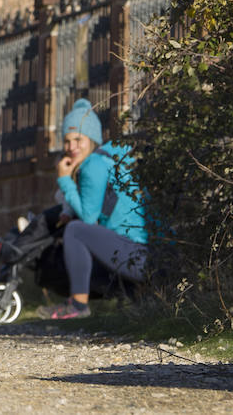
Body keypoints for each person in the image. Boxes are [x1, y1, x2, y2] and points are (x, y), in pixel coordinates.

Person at [39, 98, 147, 319]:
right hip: (154, 255)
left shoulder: (92, 166)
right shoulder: (111, 156)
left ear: (92, 139)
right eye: (67, 141)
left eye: (78, 139)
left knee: (76, 231)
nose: (71, 148)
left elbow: (88, 219)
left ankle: (78, 306)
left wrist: (65, 180)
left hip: (139, 256)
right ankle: (133, 301)